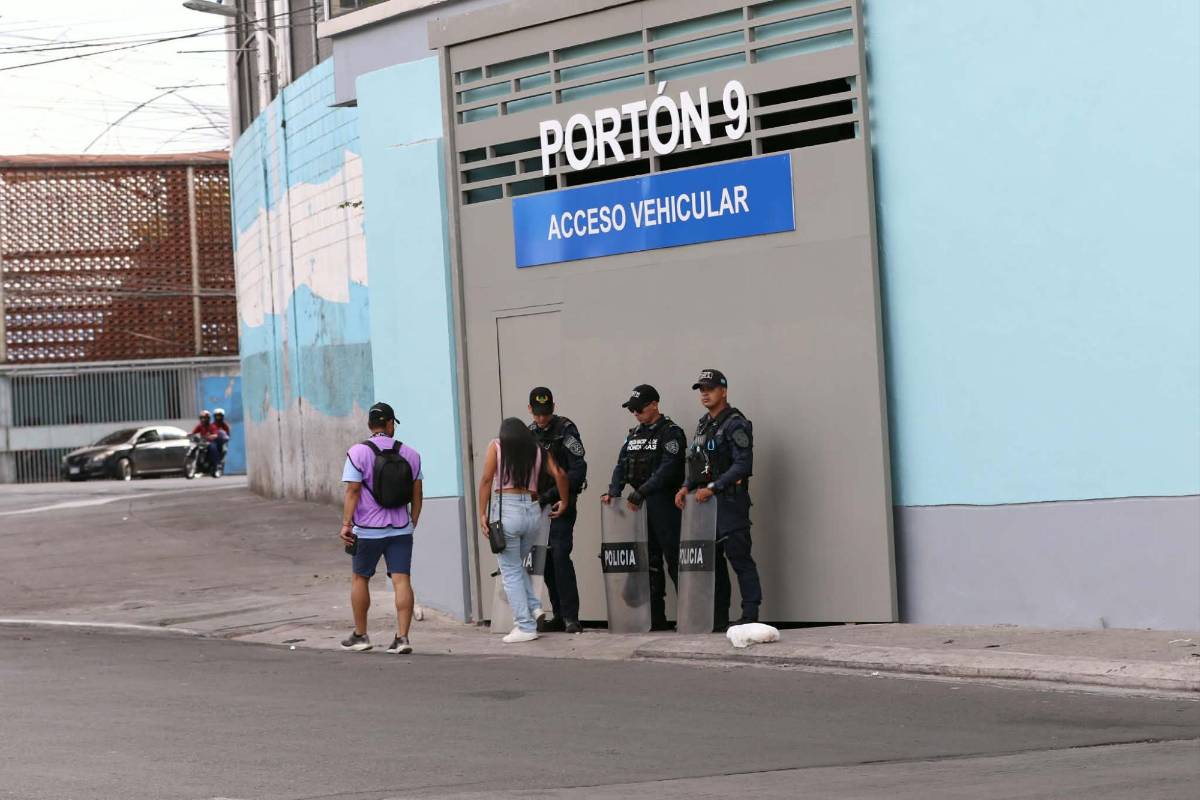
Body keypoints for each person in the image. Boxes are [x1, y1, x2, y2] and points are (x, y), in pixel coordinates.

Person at [674, 369, 762, 630]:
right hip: (705, 505)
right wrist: (686, 486)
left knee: (740, 559)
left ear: (723, 390)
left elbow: (743, 464)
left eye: (709, 389)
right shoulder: (703, 424)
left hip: (729, 503)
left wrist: (713, 487)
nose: (704, 393)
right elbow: (699, 463)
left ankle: (750, 615)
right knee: (713, 562)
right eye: (701, 389)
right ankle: (718, 617)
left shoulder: (736, 423)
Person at [338, 402, 423, 655]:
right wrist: (412, 520)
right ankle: (402, 638)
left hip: (367, 530)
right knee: (402, 580)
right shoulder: (411, 454)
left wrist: (346, 524)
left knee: (360, 577)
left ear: (369, 425)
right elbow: (418, 493)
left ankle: (361, 635)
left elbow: (353, 490)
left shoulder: (357, 452)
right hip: (400, 529)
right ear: (389, 424)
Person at [602, 384, 687, 630]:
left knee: (674, 559)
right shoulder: (634, 434)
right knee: (648, 562)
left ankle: (687, 616)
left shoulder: (671, 433)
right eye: (632, 410)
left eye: (639, 409)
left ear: (654, 405)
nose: (636, 414)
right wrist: (614, 492)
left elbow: (669, 468)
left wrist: (643, 491)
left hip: (663, 502)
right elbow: (621, 464)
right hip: (638, 506)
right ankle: (655, 618)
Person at [478, 418, 570, 643]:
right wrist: (565, 501)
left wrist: (482, 512)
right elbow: (560, 473)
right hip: (532, 512)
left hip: (507, 508)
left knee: (509, 571)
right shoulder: (538, 449)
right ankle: (535, 607)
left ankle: (525, 625)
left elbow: (487, 479)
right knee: (515, 565)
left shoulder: (496, 446)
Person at [528, 387, 587, 634]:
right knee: (546, 560)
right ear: (530, 409)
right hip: (537, 506)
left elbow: (577, 471)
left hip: (561, 503)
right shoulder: (529, 434)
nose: (542, 418)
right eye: (538, 414)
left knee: (561, 555)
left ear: (553, 407)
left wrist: (552, 495)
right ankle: (559, 615)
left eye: (546, 413)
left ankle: (572, 617)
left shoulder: (565, 430)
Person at [190, 410, 221, 475]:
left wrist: (212, 436)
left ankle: (216, 465)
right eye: (202, 418)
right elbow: (193, 432)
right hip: (202, 442)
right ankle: (198, 465)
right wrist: (190, 434)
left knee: (213, 448)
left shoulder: (212, 426)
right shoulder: (200, 426)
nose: (203, 419)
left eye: (205, 418)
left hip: (210, 442)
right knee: (195, 447)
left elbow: (215, 434)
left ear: (208, 419)